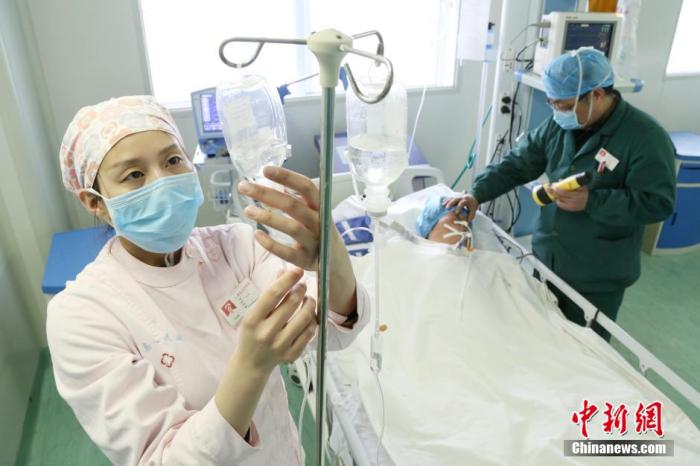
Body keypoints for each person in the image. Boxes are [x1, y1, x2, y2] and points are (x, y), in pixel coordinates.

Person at [47, 95, 369, 465]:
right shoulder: (81, 316)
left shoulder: (236, 246)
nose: (163, 182)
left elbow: (332, 327)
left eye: (172, 160)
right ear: (96, 202)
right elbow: (162, 459)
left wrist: (333, 259)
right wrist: (252, 366)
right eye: (134, 175)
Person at [445, 47, 676, 341]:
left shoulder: (645, 137)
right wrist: (477, 194)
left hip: (598, 270)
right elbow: (516, 164)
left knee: (585, 349)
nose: (557, 112)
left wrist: (592, 201)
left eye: (564, 105)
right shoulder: (559, 125)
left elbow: (658, 203)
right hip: (548, 257)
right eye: (552, 103)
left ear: (597, 94)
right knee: (542, 336)